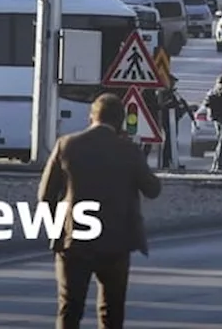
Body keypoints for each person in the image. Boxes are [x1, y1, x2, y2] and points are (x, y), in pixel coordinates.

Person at [39, 93, 162, 329]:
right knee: (111, 311)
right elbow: (152, 189)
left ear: (91, 117)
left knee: (70, 308)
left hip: (75, 240)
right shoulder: (128, 150)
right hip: (116, 242)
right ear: (121, 121)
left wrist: (58, 231)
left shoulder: (67, 144)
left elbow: (45, 195)